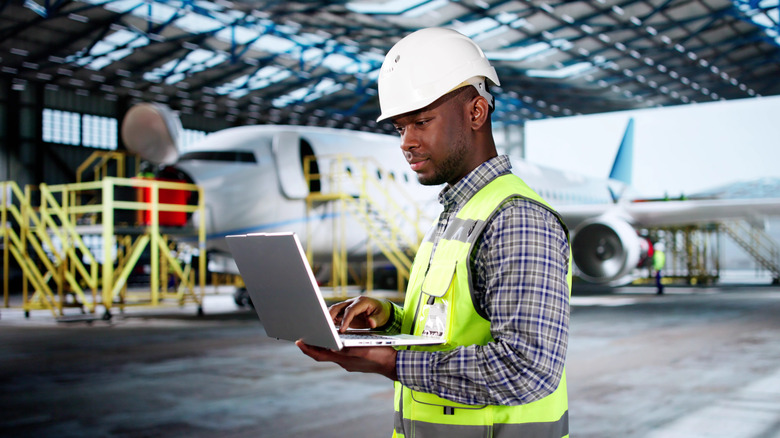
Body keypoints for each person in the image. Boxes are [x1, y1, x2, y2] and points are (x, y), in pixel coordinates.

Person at [296, 27, 571, 438]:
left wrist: (391, 363)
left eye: (421, 122)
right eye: (400, 128)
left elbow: (527, 370)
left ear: (476, 113)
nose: (407, 142)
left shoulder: (515, 218)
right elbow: (447, 331)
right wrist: (388, 319)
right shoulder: (458, 212)